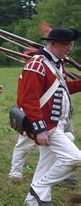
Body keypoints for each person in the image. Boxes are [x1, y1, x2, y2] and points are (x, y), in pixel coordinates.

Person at [17, 28, 81, 206]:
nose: (69, 49)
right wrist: (40, 129)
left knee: (44, 165)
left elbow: (62, 88)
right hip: (46, 125)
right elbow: (28, 101)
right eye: (66, 45)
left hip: (56, 123)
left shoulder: (56, 63)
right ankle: (38, 188)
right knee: (75, 158)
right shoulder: (37, 64)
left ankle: (32, 201)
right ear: (53, 43)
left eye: (71, 45)